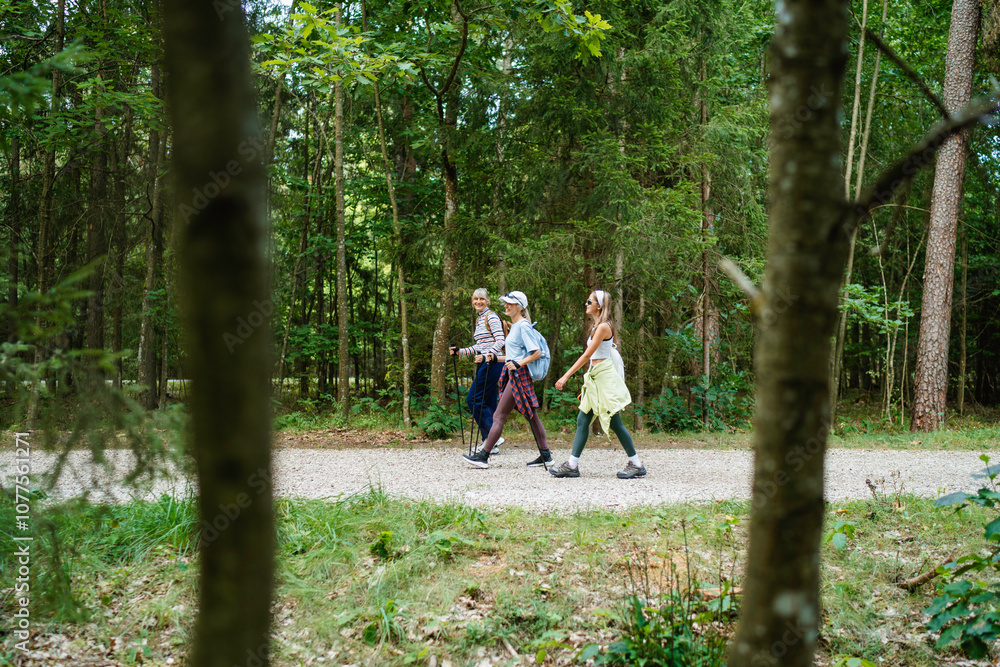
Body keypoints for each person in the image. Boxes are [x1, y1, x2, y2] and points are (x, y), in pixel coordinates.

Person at [550, 289, 646, 479]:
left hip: (603, 377)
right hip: (595, 375)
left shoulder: (603, 327)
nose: (586, 304)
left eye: (589, 301)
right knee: (583, 419)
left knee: (614, 422)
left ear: (599, 306)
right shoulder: (596, 326)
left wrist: (566, 376)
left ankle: (636, 464)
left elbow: (587, 355)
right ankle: (572, 464)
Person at [462, 291, 552, 469]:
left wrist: (519, 364)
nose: (506, 305)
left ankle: (483, 456)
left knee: (499, 416)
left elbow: (536, 352)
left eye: (510, 303)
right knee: (531, 415)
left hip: (519, 375)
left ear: (519, 306)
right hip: (516, 374)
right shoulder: (516, 325)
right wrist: (494, 358)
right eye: (505, 303)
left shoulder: (523, 326)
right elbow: (512, 355)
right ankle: (546, 456)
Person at [450, 288, 506, 450]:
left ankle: (493, 435)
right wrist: (461, 352)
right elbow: (480, 346)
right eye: (475, 299)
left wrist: (487, 356)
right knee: (487, 401)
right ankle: (490, 444)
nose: (478, 302)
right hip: (486, 361)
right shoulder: (480, 319)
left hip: (493, 362)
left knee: (473, 399)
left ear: (487, 301)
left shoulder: (491, 317)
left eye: (481, 299)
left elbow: (500, 340)